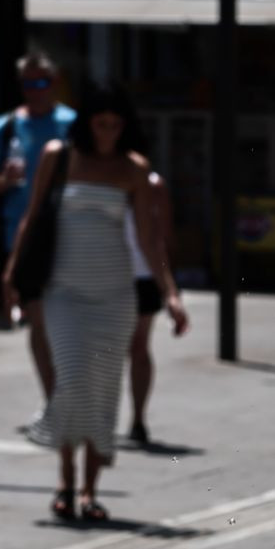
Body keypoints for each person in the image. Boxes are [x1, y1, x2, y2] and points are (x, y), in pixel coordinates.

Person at [4, 88, 188, 522]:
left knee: (103, 389)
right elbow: (32, 216)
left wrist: (171, 292)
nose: (107, 131)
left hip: (114, 293)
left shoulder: (133, 169)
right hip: (63, 290)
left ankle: (88, 490)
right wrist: (12, 270)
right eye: (100, 122)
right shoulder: (58, 156)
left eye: (115, 124)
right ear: (86, 122)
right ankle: (64, 479)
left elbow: (148, 236)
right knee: (68, 381)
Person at [0, 51, 77, 400]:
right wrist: (2, 182)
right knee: (39, 321)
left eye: (42, 82)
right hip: (22, 233)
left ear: (53, 83)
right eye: (28, 84)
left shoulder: (73, 123)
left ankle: (69, 391)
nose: (35, 90)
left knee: (65, 320)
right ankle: (53, 398)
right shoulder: (6, 127)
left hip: (68, 231)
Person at [123, 169, 174, 446]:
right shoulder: (99, 177)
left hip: (143, 275)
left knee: (139, 346)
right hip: (106, 276)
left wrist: (170, 290)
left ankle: (138, 418)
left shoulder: (154, 184)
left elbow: (160, 237)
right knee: (105, 350)